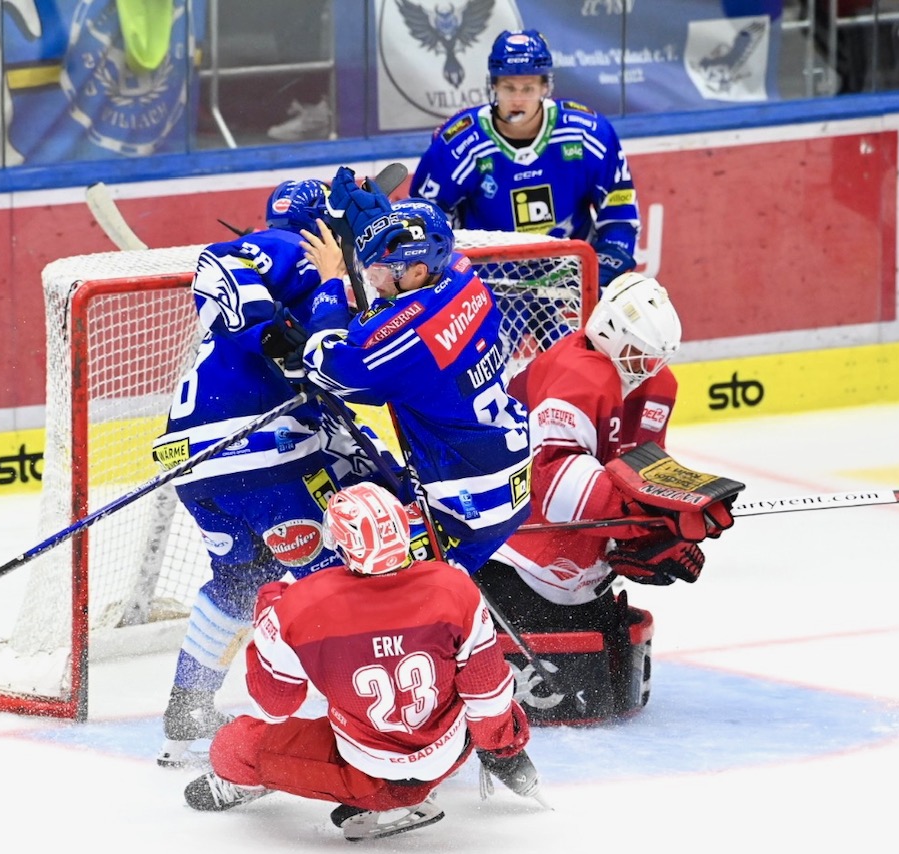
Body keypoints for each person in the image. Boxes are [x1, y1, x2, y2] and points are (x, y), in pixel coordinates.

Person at [182, 482, 543, 842]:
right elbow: (488, 695)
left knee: (234, 747)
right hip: (454, 748)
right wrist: (502, 749)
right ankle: (505, 761)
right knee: (478, 683)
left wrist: (267, 622)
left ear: (339, 542)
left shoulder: (300, 606)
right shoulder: (456, 588)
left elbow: (275, 706)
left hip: (372, 775)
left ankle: (392, 801)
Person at [151, 178, 364, 769]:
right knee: (332, 576)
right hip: (261, 451)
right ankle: (368, 715)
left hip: (195, 460)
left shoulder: (304, 273)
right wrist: (288, 314)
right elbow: (229, 264)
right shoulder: (288, 249)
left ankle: (187, 712)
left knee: (239, 581)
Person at [479, 272, 738, 724]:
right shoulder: (576, 375)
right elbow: (557, 485)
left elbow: (641, 470)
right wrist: (639, 523)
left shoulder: (656, 383)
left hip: (574, 553)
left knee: (603, 662)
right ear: (609, 332)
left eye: (658, 358)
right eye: (641, 354)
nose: (650, 368)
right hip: (515, 544)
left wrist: (665, 518)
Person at [297, 168, 533, 575]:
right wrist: (379, 224)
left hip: (466, 508)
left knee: (366, 563)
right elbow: (411, 271)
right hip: (507, 474)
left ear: (417, 272)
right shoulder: (462, 274)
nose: (376, 282)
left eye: (383, 274)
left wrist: (330, 283)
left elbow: (328, 366)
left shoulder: (411, 335)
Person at [408, 29, 640, 288]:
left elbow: (619, 211)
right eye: (508, 87)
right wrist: (451, 280)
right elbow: (427, 220)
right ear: (493, 85)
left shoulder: (588, 134)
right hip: (487, 284)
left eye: (528, 88)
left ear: (545, 87)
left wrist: (602, 274)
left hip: (571, 282)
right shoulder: (458, 144)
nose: (517, 99)